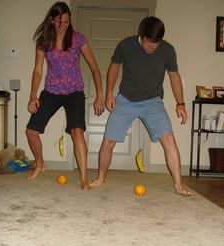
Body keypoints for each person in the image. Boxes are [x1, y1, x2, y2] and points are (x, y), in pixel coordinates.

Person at [90, 16, 191, 196]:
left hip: (153, 101)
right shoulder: (126, 45)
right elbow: (114, 67)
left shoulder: (168, 51)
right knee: (108, 141)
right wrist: (109, 93)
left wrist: (180, 103)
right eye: (147, 44)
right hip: (126, 99)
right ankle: (101, 177)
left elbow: (174, 76)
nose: (151, 48)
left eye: (155, 45)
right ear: (141, 36)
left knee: (169, 140)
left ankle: (178, 184)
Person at [26, 1, 104, 190]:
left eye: (67, 22)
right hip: (51, 91)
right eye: (60, 22)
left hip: (74, 92)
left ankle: (84, 178)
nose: (63, 26)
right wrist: (33, 95)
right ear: (52, 20)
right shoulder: (44, 41)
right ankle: (41, 164)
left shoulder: (78, 39)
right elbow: (38, 70)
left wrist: (100, 94)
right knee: (31, 131)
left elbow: (94, 67)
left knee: (78, 131)